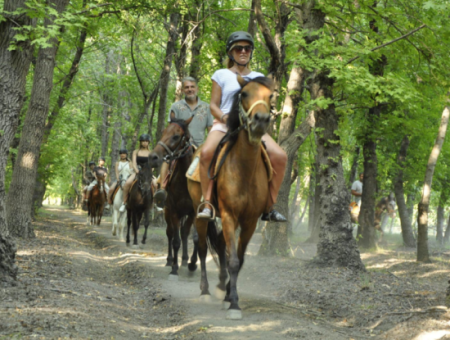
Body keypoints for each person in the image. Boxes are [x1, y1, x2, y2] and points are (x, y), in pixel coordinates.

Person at [197, 31, 287, 222]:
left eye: (247, 48)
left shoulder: (258, 76)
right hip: (224, 126)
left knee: (280, 156)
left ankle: (269, 207)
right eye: (238, 48)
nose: (243, 51)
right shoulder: (221, 74)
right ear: (231, 52)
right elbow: (213, 104)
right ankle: (207, 204)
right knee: (206, 153)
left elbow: (265, 102)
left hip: (251, 127)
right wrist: (224, 116)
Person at [154, 76, 213, 208]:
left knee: (212, 166)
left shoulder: (206, 107)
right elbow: (171, 130)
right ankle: (162, 190)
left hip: (199, 147)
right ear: (183, 90)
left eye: (192, 87)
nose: (190, 89)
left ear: (197, 89)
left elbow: (211, 130)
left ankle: (209, 198)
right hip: (179, 147)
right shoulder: (176, 106)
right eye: (187, 87)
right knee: (167, 160)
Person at [119, 134, 152, 212]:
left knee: (155, 184)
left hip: (147, 172)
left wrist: (150, 171)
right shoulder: (136, 152)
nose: (145, 143)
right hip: (138, 171)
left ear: (148, 142)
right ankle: (124, 203)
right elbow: (134, 163)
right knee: (127, 183)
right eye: (143, 141)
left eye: (146, 141)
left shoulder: (151, 152)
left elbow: (152, 164)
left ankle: (155, 204)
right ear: (140, 142)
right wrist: (137, 171)